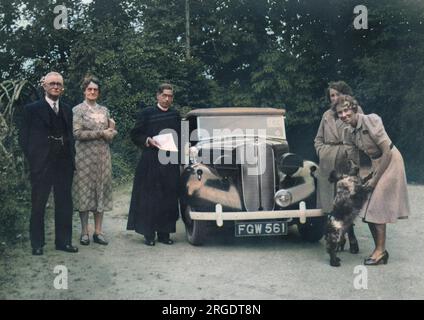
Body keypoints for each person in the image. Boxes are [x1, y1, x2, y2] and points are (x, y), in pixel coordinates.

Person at [335, 95, 410, 265]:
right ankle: (380, 250)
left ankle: (380, 251)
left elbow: (387, 152)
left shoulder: (371, 120)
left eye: (346, 110)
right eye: (340, 112)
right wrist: (351, 181)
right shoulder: (347, 132)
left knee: (376, 206)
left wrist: (375, 179)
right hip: (376, 164)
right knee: (367, 207)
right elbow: (355, 162)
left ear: (354, 108)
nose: (344, 115)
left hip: (391, 161)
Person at [19, 71, 78, 255]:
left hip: (63, 163)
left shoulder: (68, 109)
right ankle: (37, 244)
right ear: (44, 86)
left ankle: (63, 242)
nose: (55, 87)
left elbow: (70, 136)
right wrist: (34, 158)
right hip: (41, 163)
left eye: (59, 84)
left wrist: (70, 156)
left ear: (62, 87)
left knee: (64, 203)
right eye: (52, 83)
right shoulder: (32, 109)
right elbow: (23, 138)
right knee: (38, 203)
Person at [127, 83, 180, 246]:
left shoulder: (175, 115)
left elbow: (182, 136)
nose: (167, 99)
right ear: (157, 96)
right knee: (149, 198)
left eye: (170, 96)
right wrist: (147, 140)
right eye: (164, 95)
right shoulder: (147, 113)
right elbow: (135, 134)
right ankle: (149, 234)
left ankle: (164, 234)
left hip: (169, 161)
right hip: (150, 160)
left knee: (168, 196)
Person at [314, 81, 363, 253]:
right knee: (333, 207)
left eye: (337, 94)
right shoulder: (326, 115)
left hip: (346, 162)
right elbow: (318, 139)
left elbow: (361, 136)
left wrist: (348, 153)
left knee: (346, 204)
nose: (334, 98)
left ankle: (352, 237)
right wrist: (323, 152)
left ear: (345, 94)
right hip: (328, 165)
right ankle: (340, 239)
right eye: (331, 96)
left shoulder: (353, 110)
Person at [72, 75, 117, 246]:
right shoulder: (78, 110)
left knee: (101, 191)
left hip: (103, 157)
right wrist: (101, 133)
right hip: (84, 158)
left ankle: (98, 231)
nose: (92, 92)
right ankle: (84, 232)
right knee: (84, 192)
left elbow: (109, 135)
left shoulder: (104, 110)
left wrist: (112, 131)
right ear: (84, 91)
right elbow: (77, 133)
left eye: (95, 89)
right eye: (89, 89)